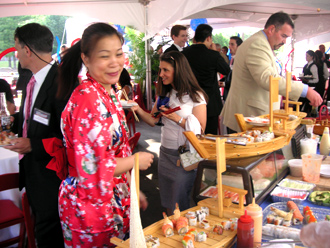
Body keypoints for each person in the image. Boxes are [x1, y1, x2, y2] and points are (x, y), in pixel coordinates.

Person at [56, 22, 154, 247]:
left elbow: (118, 149)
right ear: (86, 59)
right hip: (90, 206)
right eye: (104, 56)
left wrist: (132, 189)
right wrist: (134, 161)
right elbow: (91, 167)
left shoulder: (106, 92)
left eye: (119, 54)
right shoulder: (87, 99)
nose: (115, 63)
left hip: (112, 198)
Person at [5, 23, 69, 248]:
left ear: (27, 50)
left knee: (50, 233)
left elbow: (71, 138)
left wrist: (33, 145)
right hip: (33, 172)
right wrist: (12, 127)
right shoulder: (31, 79)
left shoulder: (62, 82)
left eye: (16, 48)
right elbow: (31, 118)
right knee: (41, 226)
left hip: (51, 178)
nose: (16, 53)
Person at [131, 51, 207, 215]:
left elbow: (200, 131)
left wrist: (176, 119)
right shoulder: (164, 94)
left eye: (165, 70)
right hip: (165, 153)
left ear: (178, 70)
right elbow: (153, 120)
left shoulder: (196, 96)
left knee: (180, 202)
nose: (161, 74)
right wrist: (137, 108)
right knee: (166, 201)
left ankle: (184, 234)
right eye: (160, 70)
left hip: (185, 155)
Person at [221, 12, 323, 132]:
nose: (285, 41)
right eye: (283, 36)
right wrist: (305, 90)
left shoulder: (262, 43)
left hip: (251, 117)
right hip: (248, 118)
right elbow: (268, 79)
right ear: (271, 29)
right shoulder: (257, 44)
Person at [182, 24, 230, 135]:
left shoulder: (184, 53)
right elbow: (226, 70)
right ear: (208, 38)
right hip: (210, 102)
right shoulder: (213, 55)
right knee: (209, 137)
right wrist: (216, 52)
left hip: (189, 99)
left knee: (190, 134)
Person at [223, 36, 243, 102]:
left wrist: (224, 84)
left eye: (232, 44)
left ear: (239, 46)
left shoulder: (241, 61)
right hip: (228, 95)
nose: (229, 47)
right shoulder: (232, 59)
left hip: (236, 97)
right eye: (229, 44)